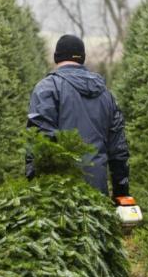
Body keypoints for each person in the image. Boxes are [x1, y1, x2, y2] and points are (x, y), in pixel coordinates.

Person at [26, 34, 130, 198]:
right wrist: (121, 194)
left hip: (57, 197)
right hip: (97, 194)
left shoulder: (47, 88)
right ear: (82, 58)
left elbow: (39, 142)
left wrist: (33, 189)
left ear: (56, 57)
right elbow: (118, 151)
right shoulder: (106, 94)